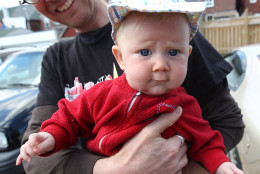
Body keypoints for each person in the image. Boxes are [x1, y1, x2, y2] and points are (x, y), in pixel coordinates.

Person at [17, 1, 244, 174]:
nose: (160, 65)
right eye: (145, 53)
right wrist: (51, 136)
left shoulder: (183, 101)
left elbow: (208, 138)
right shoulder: (100, 90)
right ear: (120, 58)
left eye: (174, 53)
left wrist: (217, 164)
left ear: (187, 53)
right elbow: (69, 118)